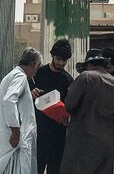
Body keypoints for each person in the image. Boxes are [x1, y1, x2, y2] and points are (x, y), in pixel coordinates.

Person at [60, 49, 114, 174]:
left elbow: (69, 105)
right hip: (106, 145)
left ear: (89, 65)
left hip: (82, 143)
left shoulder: (85, 77)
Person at [0, 47, 42, 174]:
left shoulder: (11, 76)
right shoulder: (20, 77)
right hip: (14, 143)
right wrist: (15, 130)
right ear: (34, 64)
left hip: (8, 139)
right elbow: (9, 100)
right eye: (37, 68)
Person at [31, 39, 74, 174]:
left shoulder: (67, 79)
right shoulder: (38, 74)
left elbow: (70, 105)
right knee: (35, 168)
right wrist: (31, 93)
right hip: (38, 131)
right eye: (58, 59)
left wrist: (68, 118)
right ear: (52, 56)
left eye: (64, 60)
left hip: (58, 134)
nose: (61, 63)